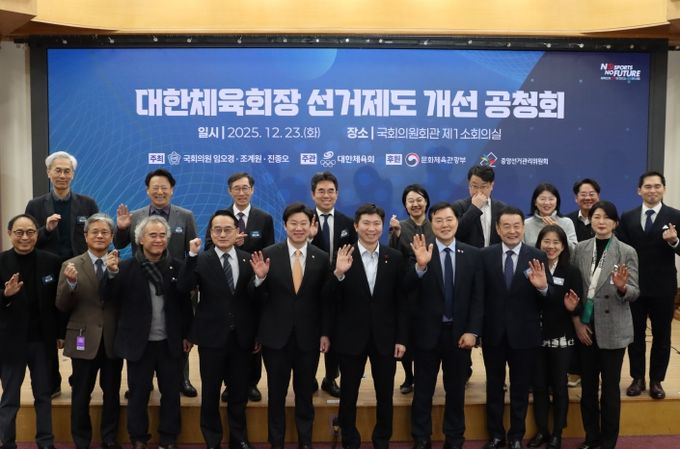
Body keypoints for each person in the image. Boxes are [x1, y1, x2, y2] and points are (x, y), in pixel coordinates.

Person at [104, 215, 193, 449]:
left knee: (171, 394)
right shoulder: (125, 268)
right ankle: (138, 438)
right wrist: (110, 274)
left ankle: (169, 438)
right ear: (141, 239)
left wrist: (187, 334)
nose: (158, 239)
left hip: (169, 343)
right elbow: (108, 297)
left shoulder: (178, 267)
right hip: (138, 344)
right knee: (138, 394)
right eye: (152, 235)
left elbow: (185, 305)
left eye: (162, 235)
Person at [250, 202, 330, 449]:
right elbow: (255, 299)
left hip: (308, 338)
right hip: (275, 338)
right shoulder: (268, 254)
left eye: (303, 223)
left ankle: (305, 441)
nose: (298, 228)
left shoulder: (322, 257)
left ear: (311, 226)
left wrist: (325, 333)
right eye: (293, 223)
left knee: (305, 394)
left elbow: (325, 300)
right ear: (284, 226)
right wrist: (259, 279)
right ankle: (276, 442)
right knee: (276, 395)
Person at [177, 210, 258, 449]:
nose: (222, 234)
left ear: (237, 232)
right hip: (212, 338)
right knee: (210, 393)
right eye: (217, 230)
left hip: (242, 338)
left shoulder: (249, 259)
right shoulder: (201, 259)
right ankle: (212, 440)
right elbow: (183, 287)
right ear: (211, 233)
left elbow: (256, 299)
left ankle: (238, 438)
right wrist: (191, 255)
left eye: (227, 230)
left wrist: (260, 279)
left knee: (239, 393)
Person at [114, 168, 198, 397]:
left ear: (172, 190)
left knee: (176, 332)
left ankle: (182, 378)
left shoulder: (185, 216)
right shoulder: (135, 216)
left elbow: (191, 251)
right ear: (147, 191)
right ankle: (142, 382)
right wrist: (122, 228)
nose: (160, 191)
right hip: (143, 282)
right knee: (143, 330)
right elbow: (120, 244)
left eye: (164, 188)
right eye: (155, 188)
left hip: (174, 283)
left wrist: (190, 281)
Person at [331, 203, 407, 449]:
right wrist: (338, 273)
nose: (371, 228)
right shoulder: (343, 255)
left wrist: (401, 338)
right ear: (356, 226)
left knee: (385, 394)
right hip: (350, 338)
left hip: (385, 338)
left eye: (376, 224)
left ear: (382, 227)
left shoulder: (394, 257)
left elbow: (401, 302)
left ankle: (382, 439)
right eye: (366, 223)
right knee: (348, 394)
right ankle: (349, 439)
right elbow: (329, 299)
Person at [408, 202, 483, 449]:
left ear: (457, 222)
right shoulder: (420, 251)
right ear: (432, 224)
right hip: (427, 334)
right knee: (423, 390)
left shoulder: (472, 254)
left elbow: (478, 297)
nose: (445, 225)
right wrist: (420, 266)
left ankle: (455, 437)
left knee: (456, 391)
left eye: (449, 219)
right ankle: (421, 437)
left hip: (459, 335)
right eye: (438, 220)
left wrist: (473, 331)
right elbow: (407, 290)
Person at [25, 150, 99, 397]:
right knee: (48, 326)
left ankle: (79, 378)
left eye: (67, 171)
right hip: (47, 273)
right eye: (57, 170)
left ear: (73, 175)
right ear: (48, 173)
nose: (62, 175)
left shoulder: (87, 203)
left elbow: (97, 233)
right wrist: (45, 229)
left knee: (79, 324)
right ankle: (52, 381)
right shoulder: (36, 205)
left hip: (80, 271)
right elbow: (28, 239)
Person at [480, 206, 551, 449]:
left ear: (523, 228)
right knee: (494, 386)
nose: (512, 231)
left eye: (516, 226)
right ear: (498, 229)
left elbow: (546, 298)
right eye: (506, 226)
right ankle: (496, 434)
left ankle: (516, 436)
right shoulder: (485, 255)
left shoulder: (537, 256)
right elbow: (479, 296)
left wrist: (543, 288)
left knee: (520, 388)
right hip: (493, 333)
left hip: (525, 334)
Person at [572, 201, 639, 449]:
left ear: (615, 223)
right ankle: (591, 437)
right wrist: (577, 323)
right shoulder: (580, 249)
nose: (601, 221)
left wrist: (622, 287)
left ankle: (609, 441)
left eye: (607, 217)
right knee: (588, 389)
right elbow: (574, 289)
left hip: (613, 328)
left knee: (610, 390)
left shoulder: (626, 251)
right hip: (586, 328)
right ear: (590, 220)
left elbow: (635, 292)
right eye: (596, 216)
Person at [206, 172, 275, 403]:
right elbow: (208, 248)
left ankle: (251, 382)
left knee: (251, 335)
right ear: (229, 191)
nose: (241, 192)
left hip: (253, 285)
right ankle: (230, 384)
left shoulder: (263, 218)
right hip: (226, 284)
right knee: (229, 337)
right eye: (237, 188)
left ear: (252, 190)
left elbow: (269, 249)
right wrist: (229, 242)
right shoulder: (220, 218)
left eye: (245, 188)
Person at [56, 213, 123, 449]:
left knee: (112, 393)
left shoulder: (120, 265)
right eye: (94, 232)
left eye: (105, 232)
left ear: (112, 237)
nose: (99, 236)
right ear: (85, 236)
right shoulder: (70, 265)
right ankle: (81, 440)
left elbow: (123, 301)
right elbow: (62, 305)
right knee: (81, 393)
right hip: (83, 338)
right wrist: (71, 284)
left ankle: (109, 438)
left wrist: (113, 274)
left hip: (112, 339)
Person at [0, 214, 62, 449]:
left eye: (30, 232)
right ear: (9, 234)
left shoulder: (52, 261)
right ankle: (7, 442)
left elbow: (58, 301)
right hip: (10, 342)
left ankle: (45, 442)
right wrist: (5, 295)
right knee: (10, 398)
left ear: (37, 234)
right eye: (19, 232)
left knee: (43, 395)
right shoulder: (1, 261)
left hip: (42, 341)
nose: (25, 237)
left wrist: (60, 333)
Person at [618, 171, 680, 400]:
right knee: (634, 336)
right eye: (647, 186)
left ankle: (656, 380)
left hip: (663, 287)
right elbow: (621, 250)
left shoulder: (676, 216)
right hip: (634, 286)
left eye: (657, 186)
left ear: (664, 189)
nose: (652, 190)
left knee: (662, 336)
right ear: (639, 190)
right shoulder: (628, 217)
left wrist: (674, 241)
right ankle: (637, 378)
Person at [527, 225, 583, 449]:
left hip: (561, 337)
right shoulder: (531, 267)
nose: (550, 246)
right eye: (546, 242)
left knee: (559, 387)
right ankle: (542, 431)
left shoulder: (571, 271)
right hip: (536, 336)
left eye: (556, 242)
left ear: (563, 246)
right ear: (539, 243)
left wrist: (572, 308)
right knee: (539, 386)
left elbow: (578, 307)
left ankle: (557, 433)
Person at [308, 171, 357, 398]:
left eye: (331, 191)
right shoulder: (304, 220)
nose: (326, 195)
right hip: (309, 286)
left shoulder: (347, 222)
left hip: (339, 286)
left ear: (337, 194)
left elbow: (354, 255)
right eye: (321, 191)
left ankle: (330, 378)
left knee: (335, 334)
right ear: (313, 194)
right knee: (309, 333)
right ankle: (308, 377)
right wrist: (309, 237)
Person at [388, 184, 435, 394]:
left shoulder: (435, 225)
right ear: (405, 205)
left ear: (426, 202)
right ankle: (409, 376)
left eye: (419, 199)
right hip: (407, 285)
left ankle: (425, 376)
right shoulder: (399, 226)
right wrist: (396, 234)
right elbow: (391, 254)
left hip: (432, 285)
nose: (415, 204)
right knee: (406, 333)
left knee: (427, 335)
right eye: (411, 201)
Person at [452, 165, 507, 248]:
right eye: (474, 186)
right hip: (467, 255)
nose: (479, 191)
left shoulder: (502, 208)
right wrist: (474, 208)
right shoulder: (459, 206)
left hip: (493, 254)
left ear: (491, 186)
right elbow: (456, 233)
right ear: (469, 185)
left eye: (483, 187)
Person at [523, 183, 577, 251]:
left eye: (551, 199)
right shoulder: (526, 224)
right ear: (535, 202)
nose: (547, 203)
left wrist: (559, 231)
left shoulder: (566, 222)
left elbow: (574, 250)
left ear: (557, 202)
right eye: (542, 199)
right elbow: (521, 251)